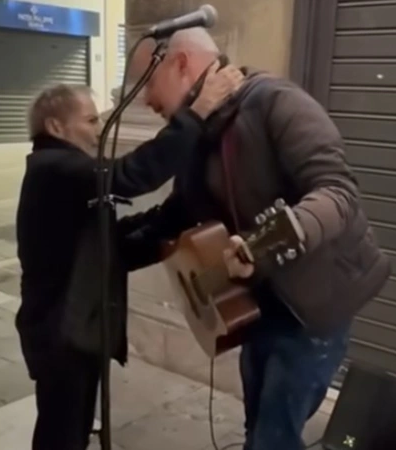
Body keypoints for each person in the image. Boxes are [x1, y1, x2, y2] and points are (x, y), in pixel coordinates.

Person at [119, 27, 391, 450]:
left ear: (181, 64)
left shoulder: (277, 102)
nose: (144, 101)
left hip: (315, 306)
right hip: (261, 304)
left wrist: (273, 237)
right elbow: (175, 215)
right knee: (257, 430)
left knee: (272, 437)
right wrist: (104, 250)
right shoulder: (197, 130)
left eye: (146, 83)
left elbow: (338, 192)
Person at [15, 77, 243, 450]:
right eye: (91, 120)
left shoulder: (64, 173)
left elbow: (110, 245)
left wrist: (173, 216)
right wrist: (196, 113)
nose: (99, 130)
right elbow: (129, 175)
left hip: (76, 329)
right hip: (61, 333)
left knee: (72, 430)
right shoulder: (53, 168)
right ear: (55, 126)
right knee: (61, 435)